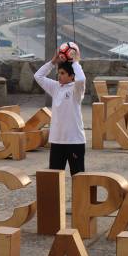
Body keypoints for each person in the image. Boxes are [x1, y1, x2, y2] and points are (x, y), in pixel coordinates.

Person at [34, 42, 87, 175]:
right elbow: (38, 76)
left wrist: (75, 62)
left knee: (79, 178)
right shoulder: (56, 87)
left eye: (63, 73)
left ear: (72, 76)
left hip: (75, 141)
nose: (59, 76)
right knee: (53, 181)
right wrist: (52, 62)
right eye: (59, 73)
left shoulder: (77, 90)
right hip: (57, 141)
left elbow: (81, 79)